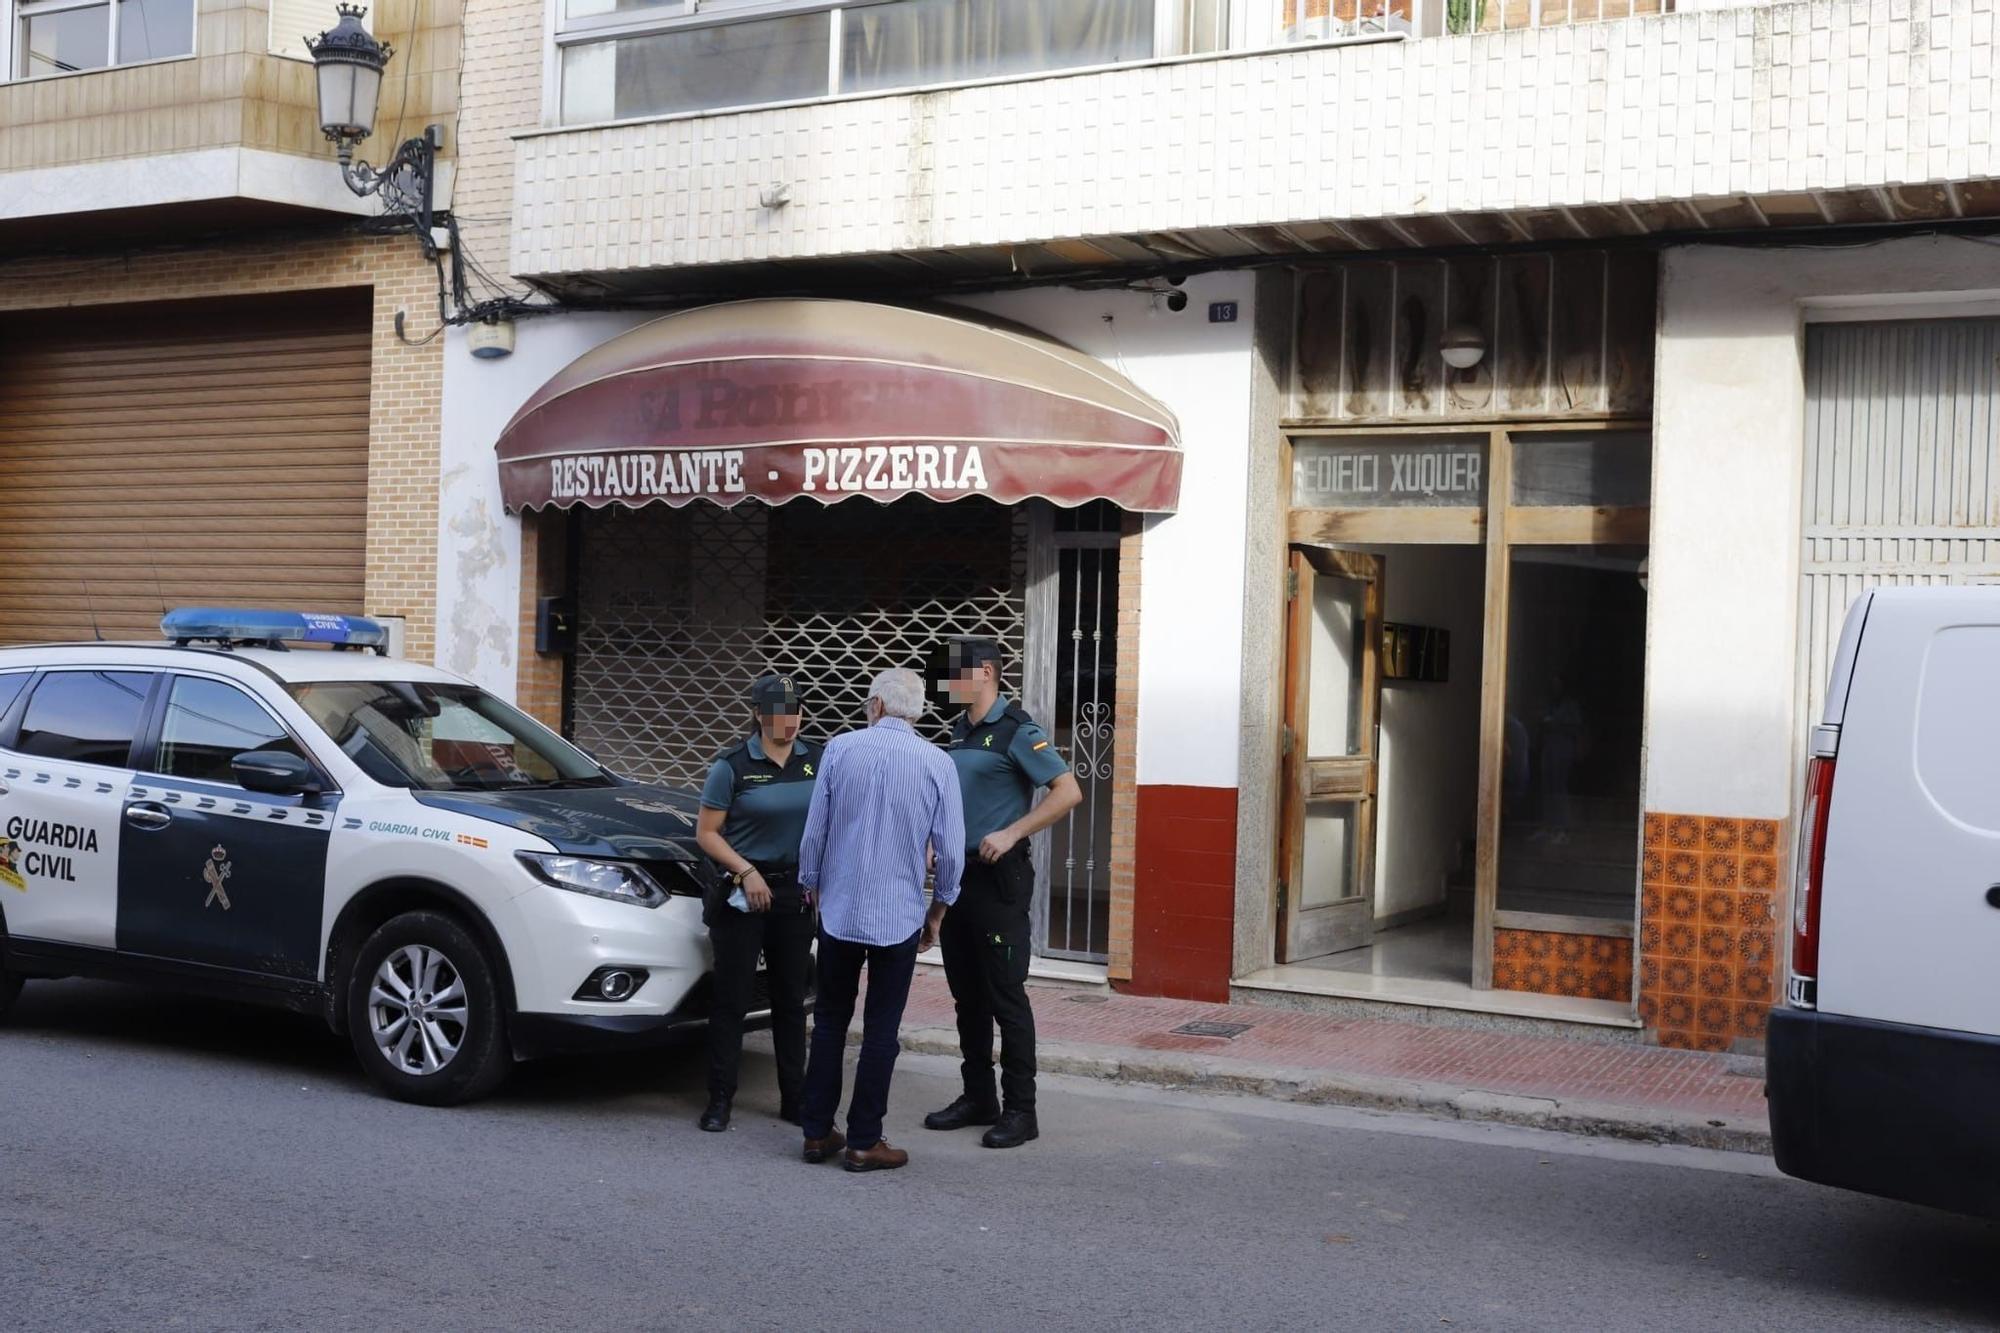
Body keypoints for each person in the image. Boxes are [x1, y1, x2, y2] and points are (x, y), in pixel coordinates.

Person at [794, 667, 964, 1173]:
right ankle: (866, 1140)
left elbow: (814, 834)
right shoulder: (937, 762)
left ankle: (816, 1132)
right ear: (915, 712)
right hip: (899, 917)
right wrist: (939, 910)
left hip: (840, 911)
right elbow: (952, 852)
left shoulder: (840, 750)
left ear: (875, 706)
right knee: (881, 1030)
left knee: (827, 1022)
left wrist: (813, 888)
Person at [924, 637, 1081, 1151]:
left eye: (954, 675)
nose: (946, 685)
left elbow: (1068, 790)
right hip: (958, 878)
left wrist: (1013, 832)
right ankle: (978, 1098)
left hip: (1000, 881)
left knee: (1005, 998)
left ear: (985, 671)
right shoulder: (960, 731)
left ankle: (1021, 1110)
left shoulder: (1016, 730)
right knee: (966, 997)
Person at [693, 673, 820, 1133]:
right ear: (758, 715)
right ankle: (720, 1099)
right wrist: (747, 872)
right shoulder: (732, 766)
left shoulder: (817, 761)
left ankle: (795, 1098)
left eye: (795, 710)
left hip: (794, 891)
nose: (788, 720)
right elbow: (706, 833)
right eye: (778, 711)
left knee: (790, 999)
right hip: (742, 891)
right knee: (732, 999)